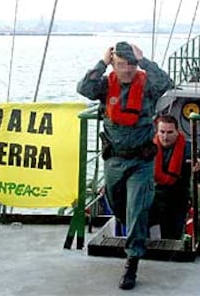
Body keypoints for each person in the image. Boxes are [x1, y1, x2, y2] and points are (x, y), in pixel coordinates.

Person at [77, 41, 172, 290]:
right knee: (117, 203)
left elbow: (166, 83)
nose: (126, 69)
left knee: (136, 209)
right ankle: (137, 223)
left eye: (130, 64)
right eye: (121, 64)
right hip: (115, 159)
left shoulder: (147, 84)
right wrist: (102, 62)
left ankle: (132, 261)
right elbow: (83, 88)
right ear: (114, 64)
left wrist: (144, 60)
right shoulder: (106, 84)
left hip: (141, 161)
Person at [149, 115, 200, 240]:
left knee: (173, 234)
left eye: (170, 132)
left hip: (177, 198)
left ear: (177, 132)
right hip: (153, 197)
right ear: (157, 131)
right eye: (162, 132)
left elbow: (196, 158)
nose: (165, 137)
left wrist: (198, 163)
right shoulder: (149, 148)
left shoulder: (188, 148)